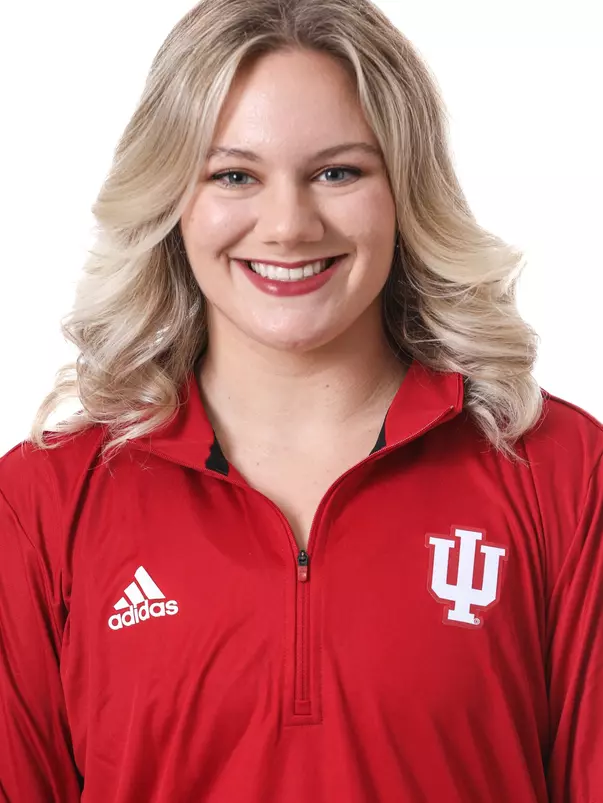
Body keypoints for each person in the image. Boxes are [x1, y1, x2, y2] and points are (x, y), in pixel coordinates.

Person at [0, 0, 601, 800]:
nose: (286, 225)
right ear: (173, 200)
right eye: (233, 175)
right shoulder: (42, 502)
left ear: (403, 191)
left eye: (336, 172)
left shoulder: (560, 472)